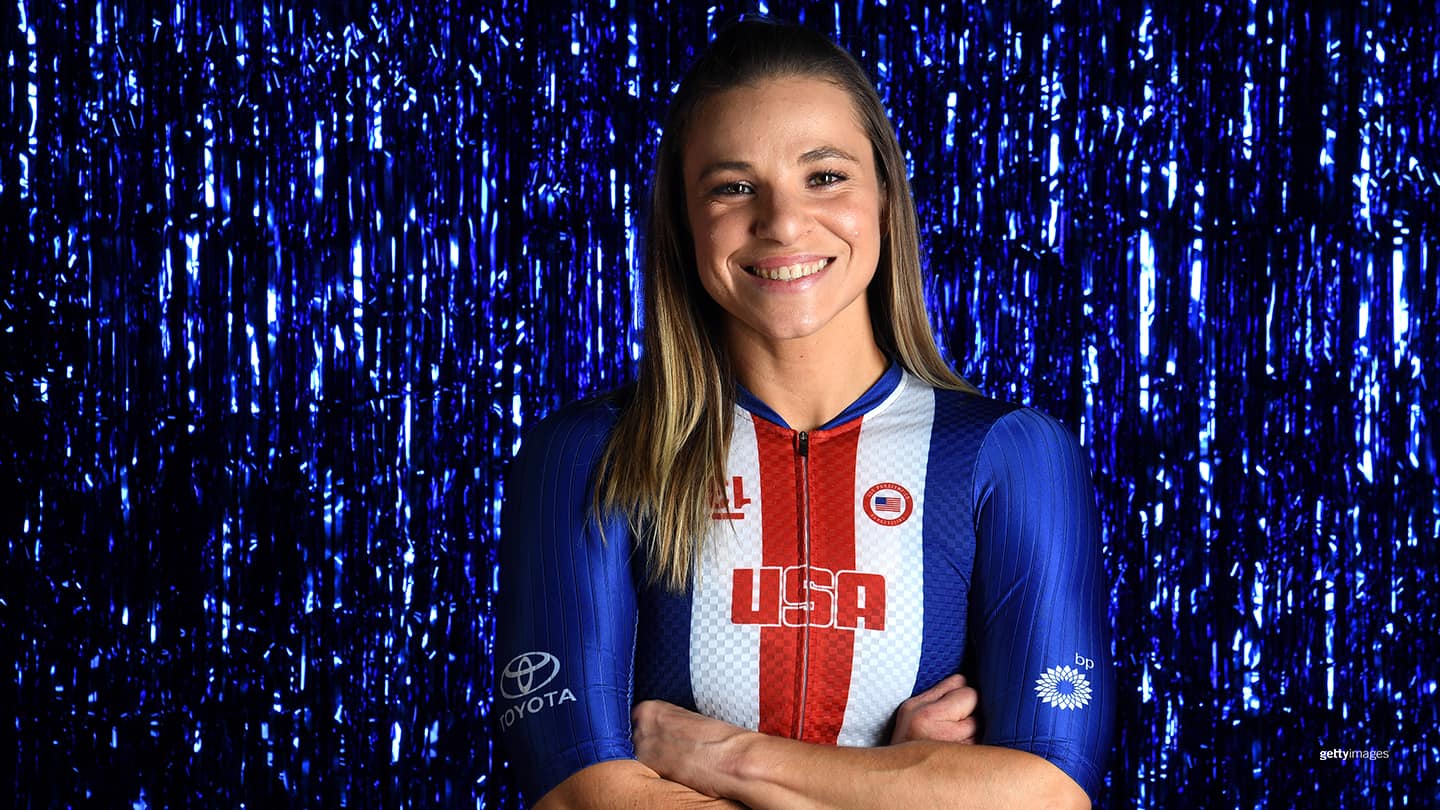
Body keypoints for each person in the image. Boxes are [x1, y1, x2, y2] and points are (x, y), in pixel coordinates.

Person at [494, 17, 1112, 809]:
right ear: (683, 220)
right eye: (733, 187)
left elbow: (1049, 794)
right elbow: (582, 797)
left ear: (884, 196)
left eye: (824, 176)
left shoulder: (1011, 454)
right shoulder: (587, 455)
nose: (783, 222)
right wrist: (900, 786)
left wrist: (732, 760)